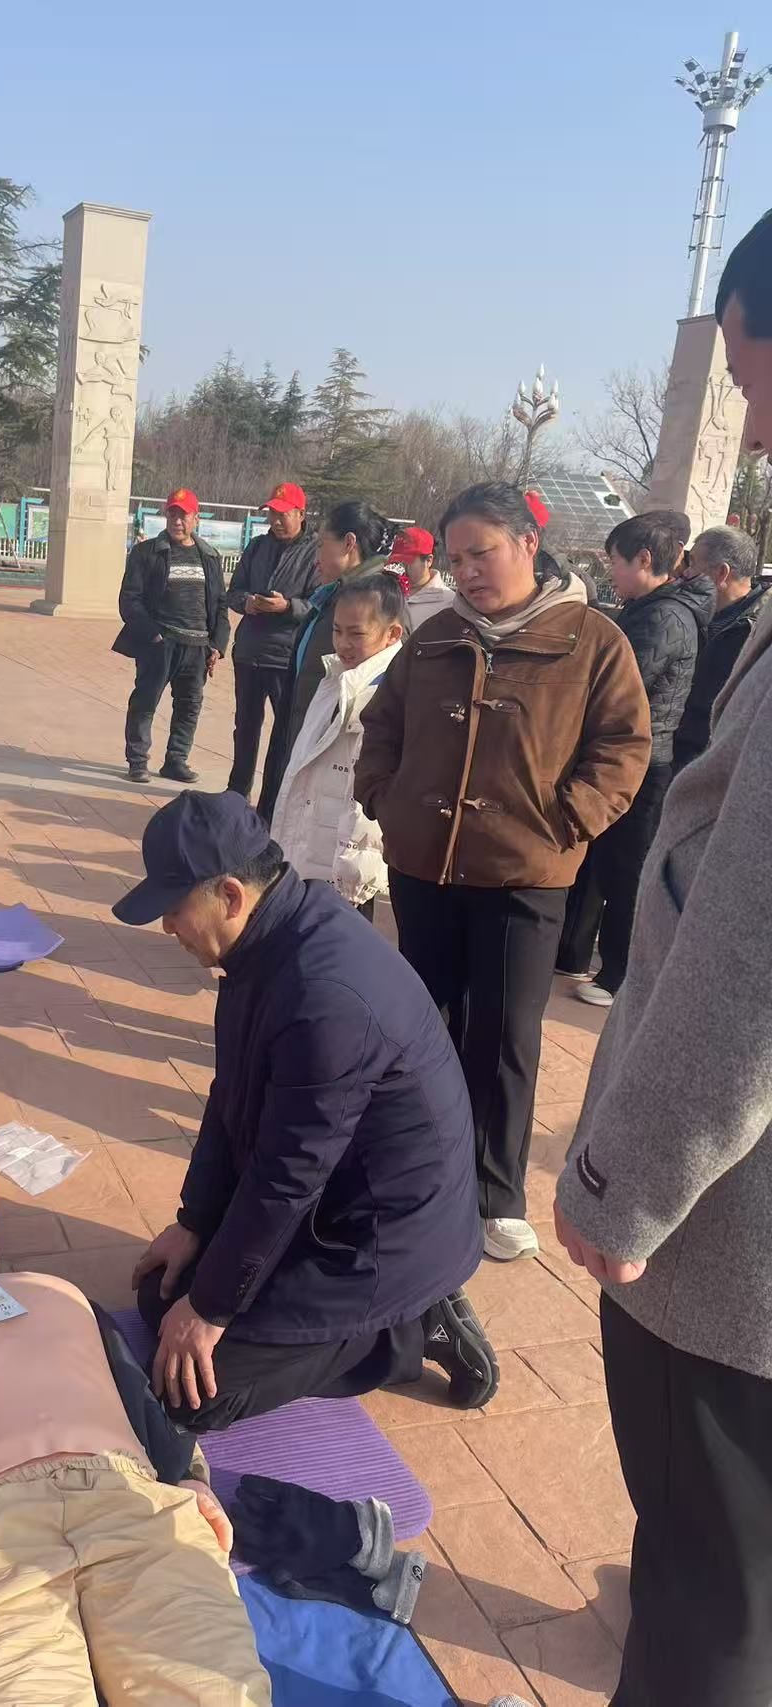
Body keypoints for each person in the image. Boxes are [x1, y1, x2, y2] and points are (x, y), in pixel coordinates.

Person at [552, 206, 772, 1707]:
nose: (748, 424)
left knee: (709, 1612)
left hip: (734, 1245)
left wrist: (627, 1181)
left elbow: (747, 958)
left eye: (748, 377)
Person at [115, 791, 495, 1431]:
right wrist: (195, 1223)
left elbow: (288, 1176)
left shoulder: (324, 995)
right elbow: (230, 1095)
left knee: (192, 1393)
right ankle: (336, 1318)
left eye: (175, 909)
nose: (167, 927)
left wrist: (210, 1308)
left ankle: (406, 1329)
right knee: (160, 1293)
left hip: (383, 1236)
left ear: (230, 896)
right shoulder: (270, 935)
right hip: (334, 1199)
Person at [355, 482, 651, 1262]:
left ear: (527, 543)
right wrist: (385, 797)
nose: (467, 572)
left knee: (506, 1034)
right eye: (455, 559)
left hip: (526, 873)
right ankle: (418, 1168)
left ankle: (496, 1193)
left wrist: (566, 821)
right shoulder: (435, 635)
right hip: (424, 863)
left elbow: (624, 747)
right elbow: (381, 723)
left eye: (480, 553)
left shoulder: (591, 639)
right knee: (424, 1021)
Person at [0, 1191, 271, 1707]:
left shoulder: (61, 1292)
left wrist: (184, 1472)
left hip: (132, 1499)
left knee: (210, 1689)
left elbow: (131, 1384)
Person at [558, 511, 710, 1008]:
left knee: (628, 873)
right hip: (628, 758)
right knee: (604, 866)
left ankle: (620, 977)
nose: (611, 572)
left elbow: (620, 685)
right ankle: (583, 958)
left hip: (644, 764)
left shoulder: (664, 618)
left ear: (645, 560)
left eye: (615, 562)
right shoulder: (648, 609)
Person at [269, 572, 405, 922]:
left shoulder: (389, 693)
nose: (344, 643)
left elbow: (370, 800)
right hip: (311, 847)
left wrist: (353, 880)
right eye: (337, 630)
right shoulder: (335, 679)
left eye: (357, 633)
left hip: (347, 872)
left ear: (392, 633)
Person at [256, 500, 392, 821]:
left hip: (329, 753)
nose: (315, 555)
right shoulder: (333, 596)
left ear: (348, 543)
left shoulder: (374, 605)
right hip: (303, 735)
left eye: (321, 544)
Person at [112, 488, 229, 783]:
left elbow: (220, 604)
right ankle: (138, 761)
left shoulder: (210, 557)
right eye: (172, 514)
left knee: (189, 706)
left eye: (184, 515)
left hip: (198, 646)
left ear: (196, 519)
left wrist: (217, 645)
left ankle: (176, 760)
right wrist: (152, 635)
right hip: (160, 643)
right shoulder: (147, 553)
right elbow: (130, 600)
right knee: (145, 701)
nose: (177, 521)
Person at [224, 481, 319, 802]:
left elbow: (318, 603)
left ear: (301, 514)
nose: (276, 521)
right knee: (245, 728)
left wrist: (287, 606)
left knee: (284, 734)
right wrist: (247, 602)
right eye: (272, 514)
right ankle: (237, 795)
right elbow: (233, 592)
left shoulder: (315, 553)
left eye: (283, 514)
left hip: (286, 657)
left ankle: (275, 801)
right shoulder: (256, 547)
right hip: (249, 653)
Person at [673, 524, 767, 770]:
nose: (685, 573)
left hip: (714, 761)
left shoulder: (758, 633)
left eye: (694, 563)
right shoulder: (692, 614)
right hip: (676, 750)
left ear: (721, 573)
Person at [388, 526, 454, 629]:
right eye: (398, 560)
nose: (402, 566)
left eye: (408, 561)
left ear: (428, 561)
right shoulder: (388, 593)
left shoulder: (449, 604)